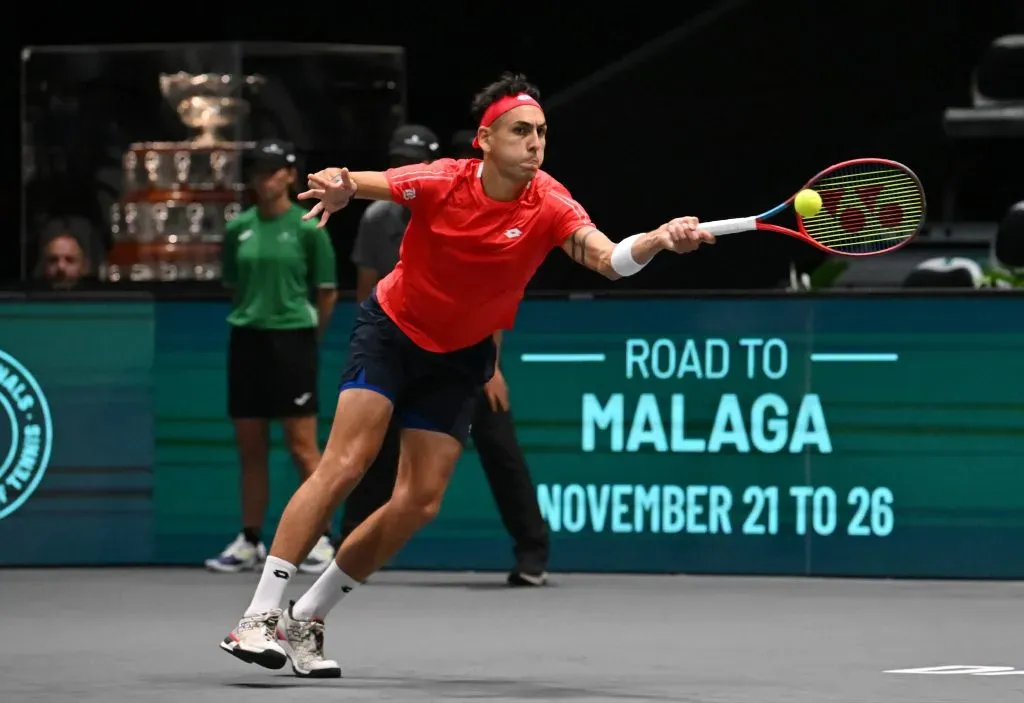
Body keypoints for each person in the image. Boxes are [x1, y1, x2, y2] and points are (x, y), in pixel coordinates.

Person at [218, 73, 714, 677]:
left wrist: (658, 240)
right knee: (346, 463)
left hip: (461, 357)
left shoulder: (551, 203)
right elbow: (373, 182)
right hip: (393, 333)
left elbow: (608, 259)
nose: (535, 143)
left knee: (420, 501)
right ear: (485, 139)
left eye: (541, 133)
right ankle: (259, 614)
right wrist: (344, 186)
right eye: (521, 131)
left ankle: (308, 619)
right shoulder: (444, 179)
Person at [343, 123, 551, 587]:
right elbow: (367, 289)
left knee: (500, 447)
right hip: (399, 344)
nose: (402, 167)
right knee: (372, 452)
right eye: (397, 158)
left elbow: (491, 293)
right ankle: (349, 550)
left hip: (466, 352)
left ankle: (532, 552)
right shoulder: (379, 217)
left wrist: (492, 366)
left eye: (411, 159)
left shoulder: (461, 204)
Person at [205, 138, 340, 577]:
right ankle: (249, 539)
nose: (264, 179)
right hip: (246, 341)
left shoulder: (307, 227)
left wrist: (306, 338)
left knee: (303, 447)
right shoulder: (237, 228)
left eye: (271, 170)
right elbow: (233, 281)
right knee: (250, 447)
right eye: (257, 171)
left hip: (293, 344)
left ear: (288, 174)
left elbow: (327, 291)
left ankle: (320, 537)